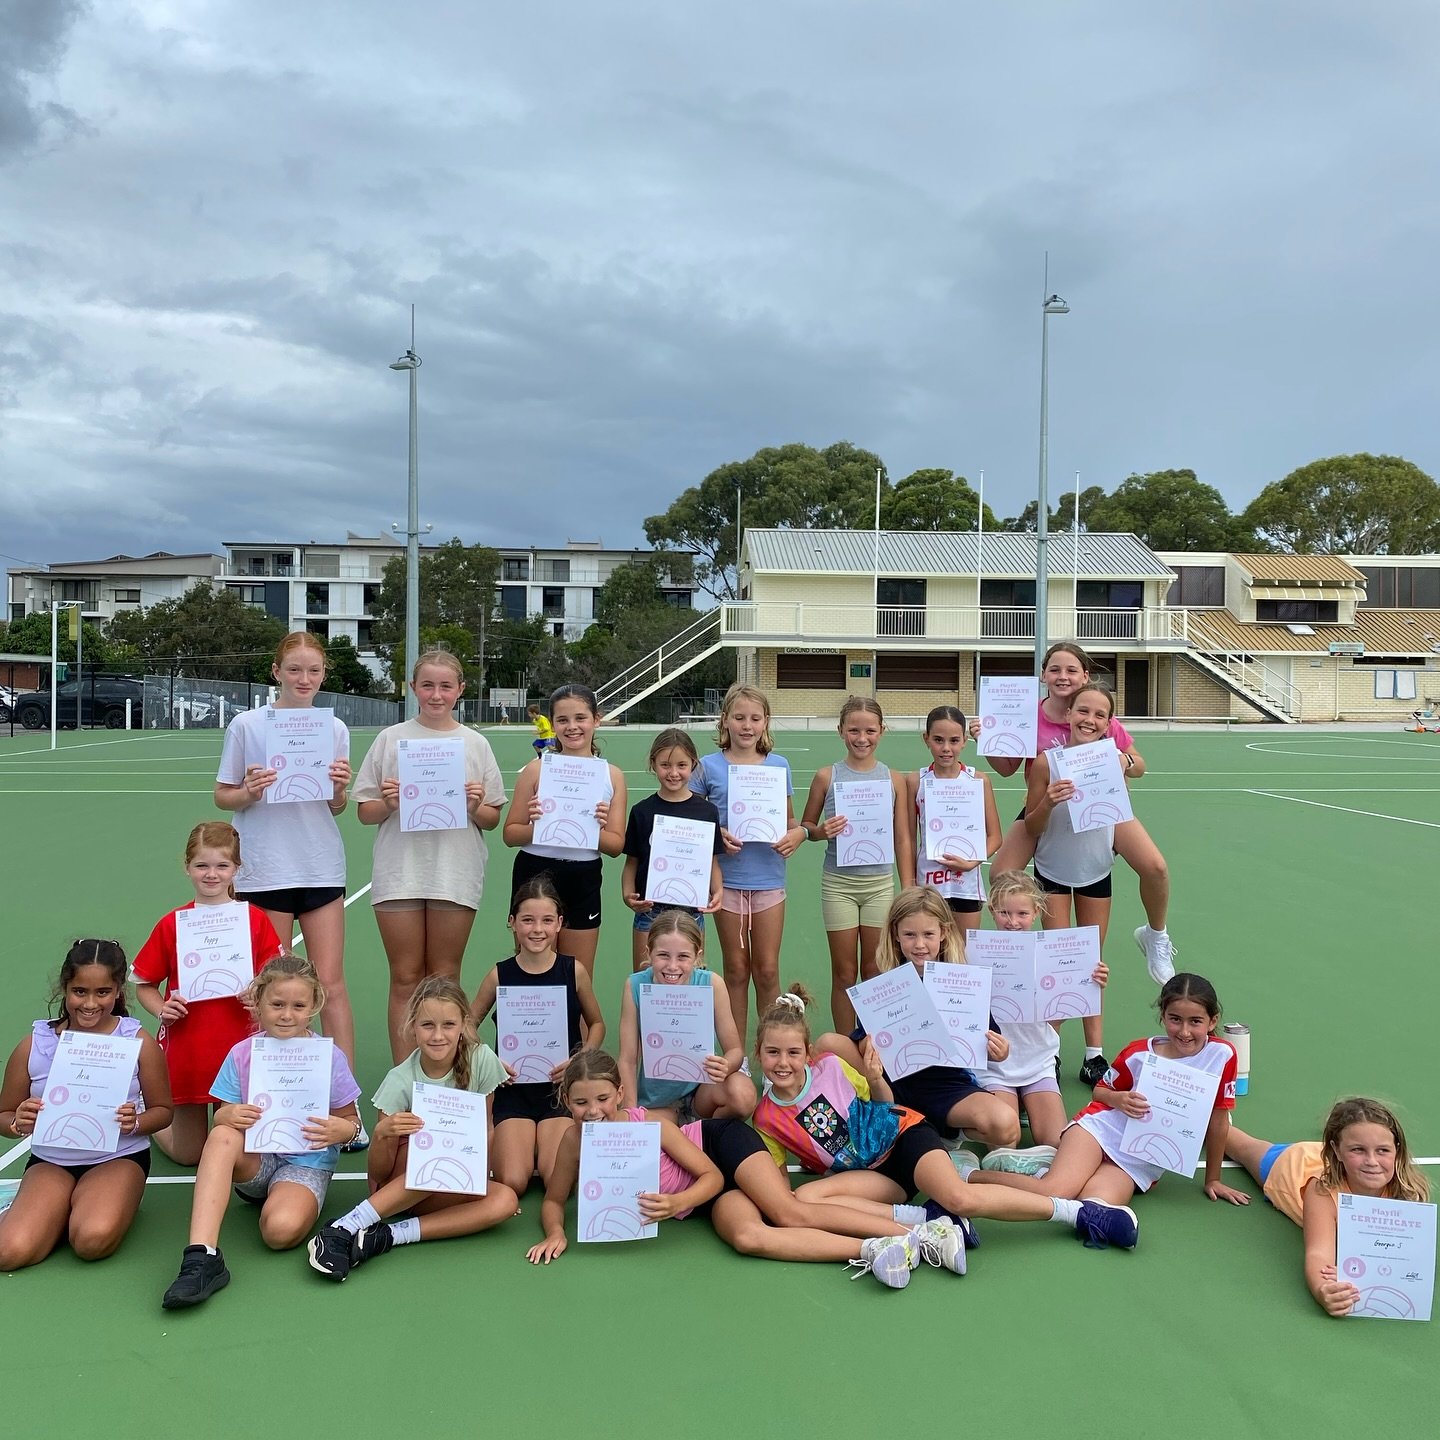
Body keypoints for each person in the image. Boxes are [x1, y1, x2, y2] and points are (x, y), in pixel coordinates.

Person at [751, 987, 1140, 1254]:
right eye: (772, 1053)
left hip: (902, 1137)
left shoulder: (832, 1067)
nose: (782, 1063)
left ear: (806, 1052)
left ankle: (1080, 1213)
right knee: (805, 1198)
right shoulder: (766, 1118)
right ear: (758, 1055)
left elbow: (885, 1104)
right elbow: (779, 1183)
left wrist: (873, 1078)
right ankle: (929, 1221)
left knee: (960, 1197)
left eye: (792, 1052)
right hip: (875, 1175)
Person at [525, 1050, 950, 1288]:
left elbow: (709, 1175)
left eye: (601, 1098)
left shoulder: (649, 1124)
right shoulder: (573, 1140)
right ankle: (873, 1250)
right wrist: (556, 1230)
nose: (592, 1111)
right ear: (567, 1101)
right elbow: (556, 1198)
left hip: (721, 1148)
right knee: (749, 1238)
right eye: (580, 1103)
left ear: (619, 1093)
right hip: (705, 1200)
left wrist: (675, 1202)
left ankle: (922, 1235)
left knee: (787, 1211)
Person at [160, 954, 362, 1309]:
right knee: (221, 1137)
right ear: (257, 1004)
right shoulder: (242, 1054)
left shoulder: (328, 1058)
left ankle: (288, 1198)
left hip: (306, 1163)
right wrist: (231, 1114)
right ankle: (201, 1256)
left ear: (314, 1005)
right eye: (277, 1004)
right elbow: (221, 1119)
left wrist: (341, 1129)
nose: (287, 1014)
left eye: (298, 1005)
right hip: (256, 1159)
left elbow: (353, 1123)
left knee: (279, 1233)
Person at [213, 632, 357, 1101]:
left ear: (323, 675)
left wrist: (339, 788)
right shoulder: (248, 726)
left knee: (330, 982)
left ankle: (343, 1100)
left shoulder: (333, 729)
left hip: (319, 867)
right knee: (272, 989)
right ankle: (272, 1094)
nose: (304, 679)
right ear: (276, 672)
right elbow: (223, 795)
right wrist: (251, 790)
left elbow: (334, 807)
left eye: (313, 670)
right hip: (264, 869)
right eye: (294, 669)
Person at [973, 972, 1250, 1216]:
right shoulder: (1139, 1054)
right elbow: (1100, 1091)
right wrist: (1120, 1099)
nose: (1185, 1031)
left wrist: (1212, 1179)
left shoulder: (1223, 1056)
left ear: (1212, 1021)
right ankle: (970, 1176)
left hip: (1136, 1159)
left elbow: (1218, 1119)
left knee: (1093, 1205)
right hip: (1100, 1131)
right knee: (1054, 1191)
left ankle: (1048, 1164)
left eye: (1196, 1021)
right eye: (1175, 1019)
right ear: (1162, 1015)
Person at [984, 641, 1175, 987]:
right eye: (1055, 669)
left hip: (1102, 804)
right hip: (1048, 804)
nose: (1063, 676)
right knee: (1000, 874)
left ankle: (1155, 935)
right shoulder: (1027, 715)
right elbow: (1008, 769)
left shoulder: (1095, 711)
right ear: (1043, 674)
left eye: (1072, 670)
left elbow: (1140, 766)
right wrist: (989, 740)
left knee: (1156, 867)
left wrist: (1125, 761)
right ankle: (1014, 948)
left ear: (1085, 676)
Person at [307, 977, 522, 1281]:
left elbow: (486, 1129)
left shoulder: (482, 1060)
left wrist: (476, 1184)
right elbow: (378, 1176)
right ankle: (342, 1227)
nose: (437, 1035)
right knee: (436, 1161)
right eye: (427, 1025)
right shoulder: (399, 1080)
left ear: (463, 1024)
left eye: (448, 1025)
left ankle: (388, 1236)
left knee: (505, 1200)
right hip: (402, 1184)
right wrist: (384, 1133)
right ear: (412, 1026)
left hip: (453, 1176)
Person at [353, 648, 507, 1062]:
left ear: (460, 690)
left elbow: (492, 818)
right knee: (404, 978)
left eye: (445, 686)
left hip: (454, 871)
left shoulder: (475, 743)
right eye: (427, 685)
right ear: (412, 688)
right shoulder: (391, 739)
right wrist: (388, 802)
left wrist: (475, 805)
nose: (436, 695)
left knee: (443, 978)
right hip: (400, 870)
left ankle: (442, 1073)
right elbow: (365, 811)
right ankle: (405, 1076)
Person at [0, 940, 172, 1270]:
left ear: (119, 990)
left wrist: (136, 1122)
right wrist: (17, 1121)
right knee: (10, 1253)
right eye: (80, 991)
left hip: (117, 1157)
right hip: (51, 1160)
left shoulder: (137, 1043)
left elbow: (163, 1111)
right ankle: (40, 1209)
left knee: (92, 1241)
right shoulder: (36, 1044)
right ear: (64, 988)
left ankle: (91, 1205)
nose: (90, 1003)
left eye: (103, 992)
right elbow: (4, 1114)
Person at [814, 888, 1020, 1154]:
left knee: (1006, 1126)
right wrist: (870, 1044)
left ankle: (942, 1133)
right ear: (896, 936)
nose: (919, 944)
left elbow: (989, 1041)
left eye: (928, 934)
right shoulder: (886, 984)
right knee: (827, 1043)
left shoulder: (963, 982)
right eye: (910, 935)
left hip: (944, 1086)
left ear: (943, 933)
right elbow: (862, 1043)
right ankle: (865, 1122)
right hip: (891, 1082)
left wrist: (1000, 1052)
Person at [132, 821, 282, 1165]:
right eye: (202, 865)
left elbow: (277, 977)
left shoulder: (254, 920)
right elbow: (143, 983)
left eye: (222, 866)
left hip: (240, 1043)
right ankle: (150, 1109)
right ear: (187, 868)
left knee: (238, 1146)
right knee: (190, 1155)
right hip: (190, 1045)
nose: (211, 874)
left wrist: (259, 992)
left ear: (236, 869)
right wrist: (161, 1008)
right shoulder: (173, 922)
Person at [1225, 1097, 1430, 1317]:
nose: (1372, 1161)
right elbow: (1318, 1254)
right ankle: (1207, 1112)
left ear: (1397, 1151)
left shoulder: (1409, 1192)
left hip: (1331, 1160)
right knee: (1231, 1141)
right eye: (1358, 1150)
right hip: (1292, 1165)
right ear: (1338, 1151)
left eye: (1383, 1150)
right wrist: (1323, 1290)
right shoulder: (1322, 1192)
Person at [470, 877, 605, 1195]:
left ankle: (540, 1143)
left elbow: (597, 1024)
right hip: (514, 1090)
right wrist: (490, 1060)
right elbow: (467, 1024)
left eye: (547, 920)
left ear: (559, 924)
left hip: (558, 1092)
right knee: (513, 1181)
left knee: (557, 1178)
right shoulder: (499, 974)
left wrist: (579, 1059)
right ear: (512, 922)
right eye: (527, 920)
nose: (537, 929)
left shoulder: (574, 971)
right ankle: (520, 1142)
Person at [1021, 683, 1125, 1083]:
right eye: (1083, 711)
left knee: (1092, 964)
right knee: (1059, 963)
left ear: (1108, 724)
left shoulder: (1113, 760)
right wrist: (1049, 801)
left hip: (1095, 870)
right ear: (1068, 715)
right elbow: (1031, 824)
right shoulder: (1047, 763)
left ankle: (1094, 1055)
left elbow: (1125, 793)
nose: (1090, 720)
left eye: (1100, 715)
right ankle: (1049, 1050)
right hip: (1052, 871)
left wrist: (1128, 761)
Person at [688, 684, 806, 1038]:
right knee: (736, 970)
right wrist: (716, 834)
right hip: (726, 884)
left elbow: (789, 821)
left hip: (769, 880)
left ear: (766, 722)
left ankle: (772, 1050)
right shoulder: (707, 767)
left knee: (767, 970)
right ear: (724, 720)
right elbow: (690, 819)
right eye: (739, 717)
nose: (747, 725)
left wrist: (795, 835)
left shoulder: (778, 765)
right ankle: (736, 1053)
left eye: (755, 718)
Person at [975, 870, 1107, 1160]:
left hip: (1038, 1062)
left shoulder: (1051, 957)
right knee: (1003, 1143)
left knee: (1054, 1143)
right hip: (995, 1066)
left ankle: (1026, 1105)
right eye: (1004, 912)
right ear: (992, 910)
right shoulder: (976, 955)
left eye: (1022, 913)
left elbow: (1057, 1018)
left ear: (1036, 911)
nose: (1012, 922)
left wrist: (1089, 980)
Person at [801, 696, 911, 1033]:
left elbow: (903, 837)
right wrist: (822, 830)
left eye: (869, 730)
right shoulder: (826, 776)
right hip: (839, 885)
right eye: (853, 730)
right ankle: (849, 1046)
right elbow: (807, 827)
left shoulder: (893, 779)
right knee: (845, 972)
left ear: (882, 731)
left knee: (876, 970)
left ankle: (877, 1043)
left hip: (879, 886)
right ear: (840, 732)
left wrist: (907, 888)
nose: (861, 738)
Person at [503, 683, 627, 981]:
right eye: (563, 720)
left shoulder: (612, 775)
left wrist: (590, 828)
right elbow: (510, 834)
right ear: (552, 724)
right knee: (532, 974)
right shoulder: (535, 770)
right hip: (534, 873)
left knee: (577, 978)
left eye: (580, 718)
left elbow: (615, 845)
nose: (572, 727)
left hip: (582, 876)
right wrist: (538, 827)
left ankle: (580, 1031)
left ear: (596, 719)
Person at [618, 910, 755, 1125]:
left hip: (701, 1094)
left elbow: (735, 1050)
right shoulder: (635, 985)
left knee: (743, 1094)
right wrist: (632, 1112)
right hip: (658, 1101)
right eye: (663, 955)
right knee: (660, 1137)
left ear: (697, 956)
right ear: (648, 953)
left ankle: (705, 1132)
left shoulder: (712, 984)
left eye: (683, 956)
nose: (672, 966)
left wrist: (726, 1065)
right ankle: (674, 1128)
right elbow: (627, 1059)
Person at [621, 727, 724, 970]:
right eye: (666, 765)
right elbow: (631, 863)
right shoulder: (641, 811)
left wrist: (717, 891)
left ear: (693, 765)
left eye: (682, 765)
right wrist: (628, 896)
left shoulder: (707, 811)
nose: (674, 773)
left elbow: (711, 861)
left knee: (687, 980)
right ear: (653, 764)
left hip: (692, 914)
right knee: (645, 981)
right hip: (649, 913)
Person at [903, 705, 1000, 931]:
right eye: (938, 740)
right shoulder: (915, 782)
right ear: (926, 739)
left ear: (965, 740)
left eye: (954, 741)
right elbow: (906, 838)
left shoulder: (978, 780)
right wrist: (909, 886)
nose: (946, 748)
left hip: (965, 887)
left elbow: (995, 836)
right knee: (927, 955)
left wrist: (972, 862)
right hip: (927, 887)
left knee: (962, 959)